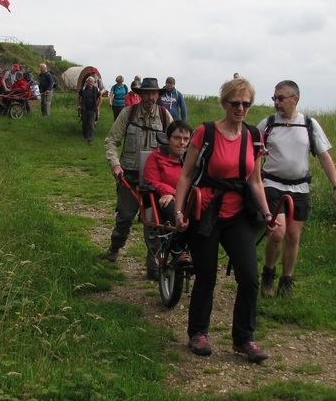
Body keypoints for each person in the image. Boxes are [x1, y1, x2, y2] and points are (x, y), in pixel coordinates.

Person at [174, 76, 272, 362]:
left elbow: (255, 181)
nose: (241, 108)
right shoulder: (206, 133)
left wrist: (266, 214)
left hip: (238, 214)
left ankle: (244, 339)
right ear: (224, 103)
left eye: (246, 103)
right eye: (235, 103)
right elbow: (186, 174)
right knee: (206, 276)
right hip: (206, 213)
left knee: (250, 278)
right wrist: (180, 212)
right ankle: (198, 333)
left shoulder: (253, 136)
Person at [257, 80, 336, 297]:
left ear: (295, 99)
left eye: (280, 98)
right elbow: (253, 154)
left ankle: (286, 281)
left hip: (300, 188)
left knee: (294, 236)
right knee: (277, 233)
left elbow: (324, 156)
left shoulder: (309, 124)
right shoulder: (267, 124)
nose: (276, 102)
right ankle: (268, 273)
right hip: (272, 185)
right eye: (274, 98)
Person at [104, 77, 173, 279]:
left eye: (154, 94)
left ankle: (153, 268)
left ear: (158, 95)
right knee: (124, 219)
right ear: (140, 94)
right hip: (129, 178)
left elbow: (176, 145)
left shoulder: (164, 116)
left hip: (153, 183)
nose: (150, 97)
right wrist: (115, 165)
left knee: (152, 225)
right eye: (147, 93)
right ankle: (115, 247)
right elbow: (111, 141)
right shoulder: (128, 113)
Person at [143, 120, 193, 264]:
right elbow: (152, 181)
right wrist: (171, 193)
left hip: (187, 199)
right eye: (177, 138)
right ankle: (177, 249)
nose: (182, 142)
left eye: (186, 139)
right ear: (167, 138)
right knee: (169, 203)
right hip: (162, 200)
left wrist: (177, 194)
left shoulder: (193, 159)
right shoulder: (156, 157)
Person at [80, 76, 101, 145]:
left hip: (93, 109)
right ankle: (85, 136)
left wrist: (98, 106)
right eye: (89, 82)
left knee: (91, 124)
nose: (91, 83)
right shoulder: (83, 89)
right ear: (87, 82)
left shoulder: (96, 90)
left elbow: (100, 98)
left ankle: (90, 139)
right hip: (84, 109)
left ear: (94, 83)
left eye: (92, 82)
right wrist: (78, 106)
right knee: (85, 123)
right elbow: (79, 97)